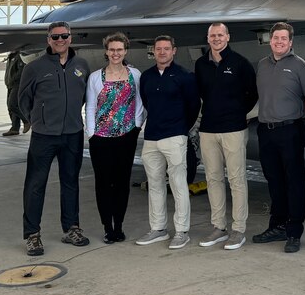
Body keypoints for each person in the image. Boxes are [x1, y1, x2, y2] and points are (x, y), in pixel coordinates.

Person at [18, 21, 91, 256]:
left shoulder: (81, 65)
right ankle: (32, 234)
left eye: (65, 36)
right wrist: (38, 120)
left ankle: (71, 229)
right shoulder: (35, 68)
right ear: (48, 39)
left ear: (71, 38)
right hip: (44, 136)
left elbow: (82, 97)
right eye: (55, 37)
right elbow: (23, 99)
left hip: (72, 134)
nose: (60, 40)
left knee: (70, 182)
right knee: (35, 185)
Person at [252, 22, 305, 254]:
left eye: (283, 38)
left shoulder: (300, 66)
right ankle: (277, 225)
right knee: (274, 181)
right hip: (266, 131)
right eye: (275, 38)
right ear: (270, 41)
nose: (279, 42)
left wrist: (297, 116)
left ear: (290, 42)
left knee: (294, 182)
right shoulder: (262, 65)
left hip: (290, 130)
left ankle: (294, 232)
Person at [194, 22, 258, 250]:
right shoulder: (201, 64)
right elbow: (200, 94)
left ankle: (238, 229)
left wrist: (237, 113)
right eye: (213, 35)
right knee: (213, 178)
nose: (216, 39)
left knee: (236, 179)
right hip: (209, 130)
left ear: (228, 37)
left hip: (234, 129)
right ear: (208, 38)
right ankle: (219, 227)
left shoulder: (240, 63)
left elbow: (252, 93)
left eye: (220, 35)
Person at [136, 35, 200, 251]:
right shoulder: (146, 77)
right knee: (154, 184)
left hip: (174, 136)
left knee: (179, 184)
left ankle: (182, 231)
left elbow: (193, 106)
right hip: (152, 137)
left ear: (174, 51)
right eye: (158, 49)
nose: (162, 52)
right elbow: (147, 103)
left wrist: (181, 129)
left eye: (166, 49)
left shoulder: (184, 76)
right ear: (153, 51)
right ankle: (158, 229)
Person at [84, 32, 144, 244]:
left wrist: (136, 126)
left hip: (126, 137)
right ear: (106, 52)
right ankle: (107, 227)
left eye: (119, 49)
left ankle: (119, 225)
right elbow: (91, 105)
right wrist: (92, 133)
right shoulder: (95, 77)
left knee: (121, 183)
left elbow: (139, 102)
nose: (115, 53)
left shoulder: (134, 74)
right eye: (112, 50)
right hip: (101, 138)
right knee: (103, 183)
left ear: (125, 51)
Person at [2, 51, 29, 136]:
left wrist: (13, 80)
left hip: (17, 85)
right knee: (10, 108)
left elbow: (21, 71)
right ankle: (15, 128)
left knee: (12, 105)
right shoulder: (10, 57)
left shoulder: (20, 56)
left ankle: (26, 121)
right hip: (10, 85)